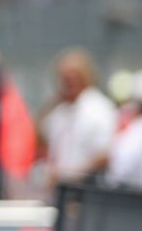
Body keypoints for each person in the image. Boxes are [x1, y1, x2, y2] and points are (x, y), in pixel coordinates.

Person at [40, 47, 117, 187]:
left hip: (89, 187)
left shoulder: (98, 107)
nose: (68, 83)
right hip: (61, 188)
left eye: (73, 77)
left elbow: (106, 154)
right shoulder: (59, 111)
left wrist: (72, 174)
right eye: (64, 78)